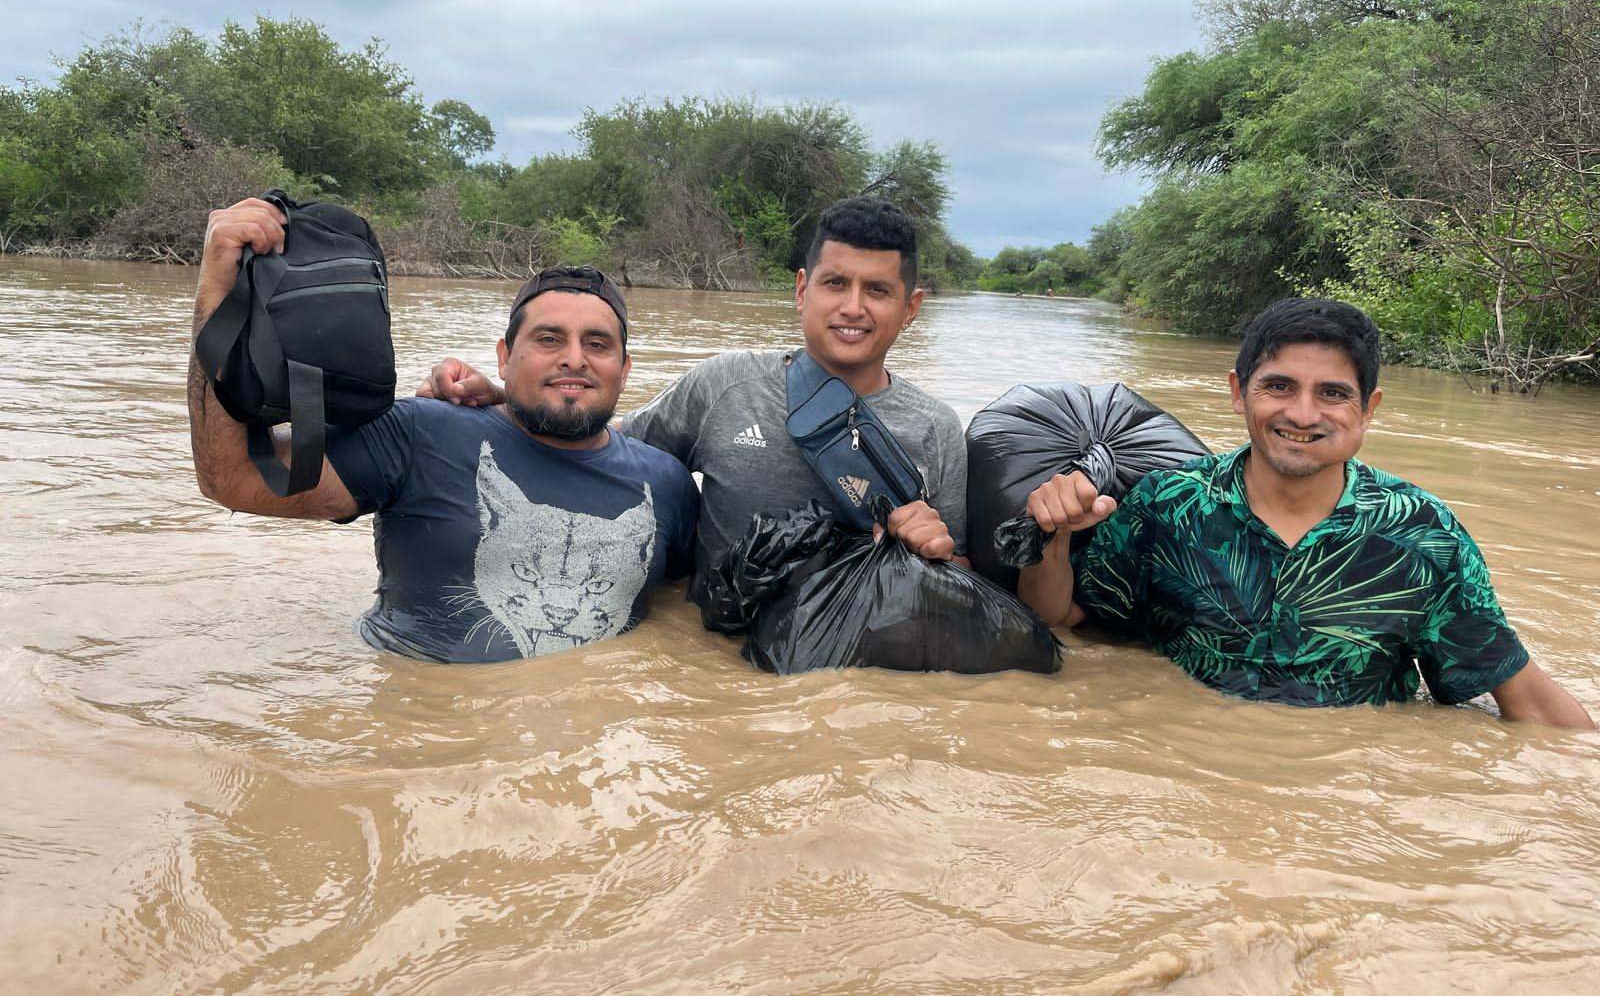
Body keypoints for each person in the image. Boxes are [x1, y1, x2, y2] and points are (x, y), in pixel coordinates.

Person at [1017, 297, 1594, 729]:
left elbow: (1527, 702)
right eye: (1279, 386)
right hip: (1191, 780)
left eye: (1333, 394)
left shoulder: (1421, 534)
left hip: (1350, 814)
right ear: (1239, 393)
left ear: (1367, 410)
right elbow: (1062, 620)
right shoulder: (1168, 505)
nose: (1301, 413)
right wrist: (1054, 539)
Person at [187, 197, 699, 663]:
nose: (573, 359)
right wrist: (217, 292)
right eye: (549, 339)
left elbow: (679, 617)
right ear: (504, 356)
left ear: (624, 368)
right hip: (427, 738)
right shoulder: (418, 432)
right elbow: (232, 481)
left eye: (597, 344)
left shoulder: (666, 482)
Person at [422, 196, 969, 613]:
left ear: (911, 307)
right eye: (835, 283)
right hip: (716, 657)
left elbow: (967, 578)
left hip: (850, 662)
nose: (852, 307)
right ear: (803, 290)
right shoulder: (723, 384)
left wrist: (932, 555)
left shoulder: (936, 429)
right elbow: (595, 449)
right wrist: (506, 400)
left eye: (877, 290)